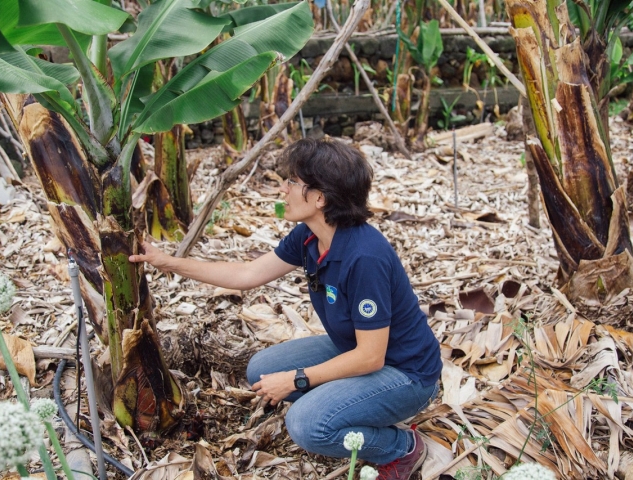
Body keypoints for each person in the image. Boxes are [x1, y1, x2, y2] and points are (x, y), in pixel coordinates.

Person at [129, 138, 442, 479]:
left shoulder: (365, 257)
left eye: (292, 182)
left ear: (320, 198)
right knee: (262, 370)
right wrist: (168, 262)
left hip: (405, 374)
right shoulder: (308, 235)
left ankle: (403, 448)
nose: (283, 189)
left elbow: (371, 358)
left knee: (306, 425)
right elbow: (247, 274)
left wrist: (297, 378)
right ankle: (348, 404)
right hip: (353, 348)